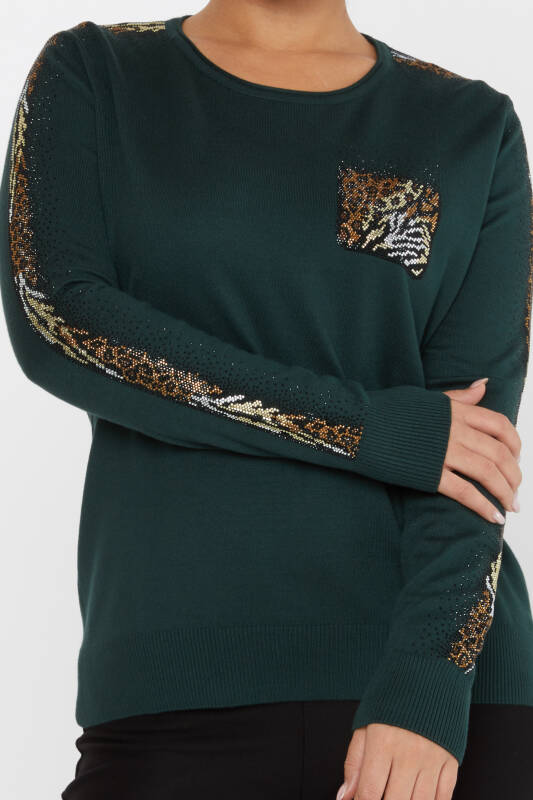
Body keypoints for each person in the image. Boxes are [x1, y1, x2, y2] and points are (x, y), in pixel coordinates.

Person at [1, 1, 533, 798]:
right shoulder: (96, 75)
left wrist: (429, 680)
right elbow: (59, 320)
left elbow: (476, 451)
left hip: (438, 707)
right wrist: (369, 429)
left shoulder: (467, 124)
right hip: (178, 681)